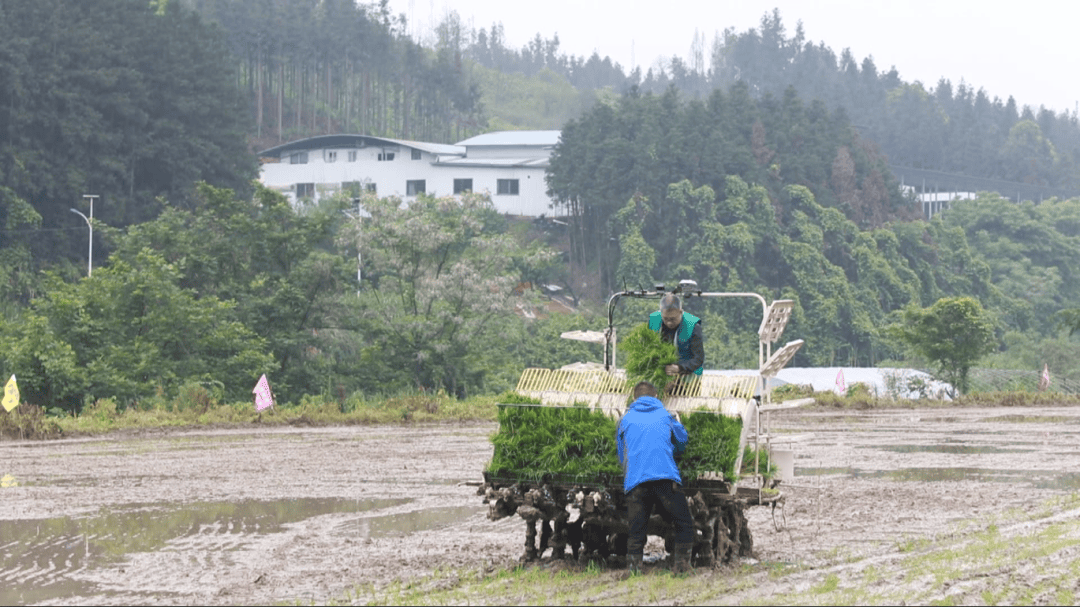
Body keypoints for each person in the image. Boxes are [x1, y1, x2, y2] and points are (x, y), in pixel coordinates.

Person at [617, 381, 695, 575]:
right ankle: (682, 566)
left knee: (636, 527)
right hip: (665, 477)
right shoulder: (666, 416)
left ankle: (634, 568)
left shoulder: (625, 420)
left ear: (634, 398)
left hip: (636, 481)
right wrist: (671, 450)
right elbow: (682, 441)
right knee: (683, 522)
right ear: (656, 397)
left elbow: (622, 454)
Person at [648, 293, 704, 378]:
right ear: (661, 312)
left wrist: (680, 368)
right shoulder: (654, 321)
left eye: (673, 319)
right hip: (660, 374)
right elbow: (646, 348)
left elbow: (698, 358)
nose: (669, 323)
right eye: (665, 319)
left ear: (680, 312)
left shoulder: (693, 326)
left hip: (687, 377)